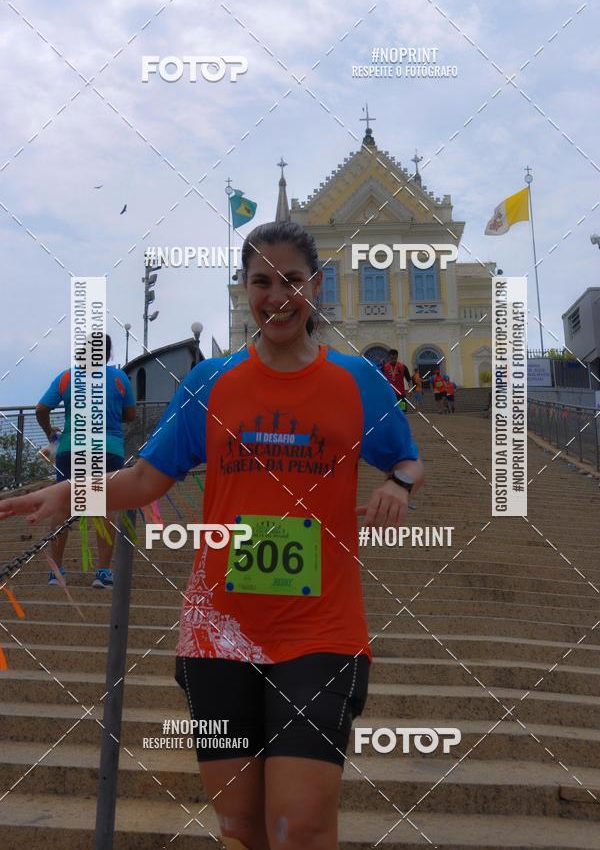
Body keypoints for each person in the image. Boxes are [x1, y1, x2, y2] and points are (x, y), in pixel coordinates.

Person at [0, 221, 424, 850]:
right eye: (261, 281)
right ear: (244, 289)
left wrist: (400, 484)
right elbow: (145, 478)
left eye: (292, 281)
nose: (276, 295)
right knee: (241, 828)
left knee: (300, 826)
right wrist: (69, 491)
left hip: (322, 632)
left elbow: (408, 456)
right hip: (218, 632)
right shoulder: (211, 383)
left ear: (316, 291)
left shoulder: (356, 380)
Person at [35, 334, 136, 587]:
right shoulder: (119, 378)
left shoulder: (67, 376)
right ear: (109, 354)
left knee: (62, 505)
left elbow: (40, 409)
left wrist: (49, 432)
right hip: (108, 449)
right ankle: (102, 572)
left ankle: (55, 572)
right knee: (105, 506)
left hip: (72, 449)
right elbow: (130, 414)